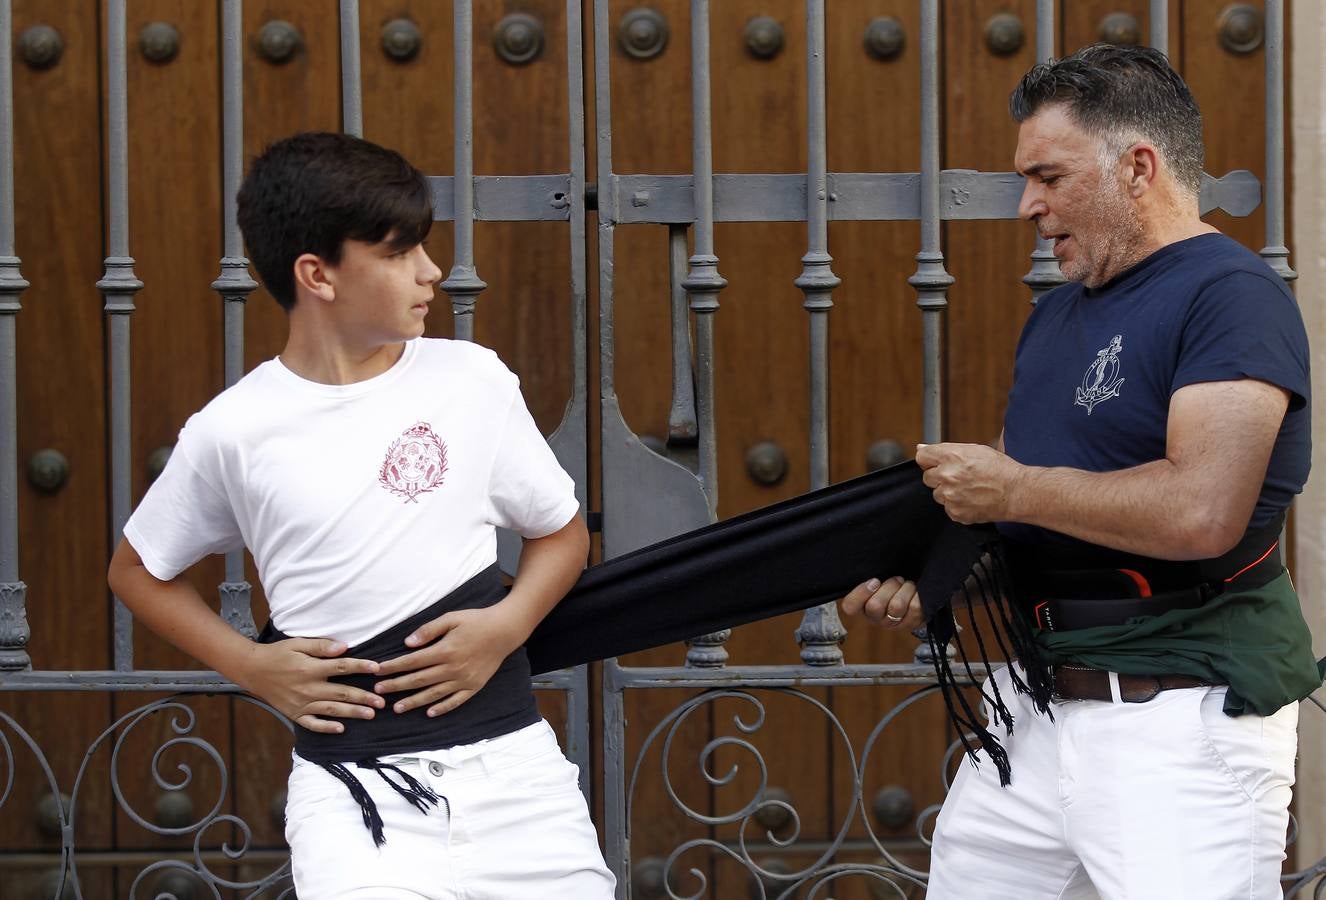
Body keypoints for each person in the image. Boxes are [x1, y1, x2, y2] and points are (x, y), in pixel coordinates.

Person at [841, 44, 1321, 899]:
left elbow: (1202, 511)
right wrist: (941, 582)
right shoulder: (1055, 316)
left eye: (1048, 176)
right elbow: (1028, 529)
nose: (1028, 205)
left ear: (1138, 167)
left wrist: (1012, 487)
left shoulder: (1233, 296)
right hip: (1031, 712)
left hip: (1178, 723)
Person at [106, 132, 615, 899]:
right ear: (318, 274)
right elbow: (138, 571)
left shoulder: (470, 380)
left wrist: (507, 626)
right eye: (398, 252)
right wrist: (252, 665)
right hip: (356, 799)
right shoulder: (234, 428)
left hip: (518, 778)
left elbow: (560, 531)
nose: (430, 271)